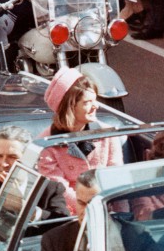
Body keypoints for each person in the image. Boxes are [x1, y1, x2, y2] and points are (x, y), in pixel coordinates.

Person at [37, 68, 124, 214]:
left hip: (108, 207)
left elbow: (116, 178)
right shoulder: (46, 143)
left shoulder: (107, 134)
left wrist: (122, 217)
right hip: (69, 215)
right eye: (87, 102)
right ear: (70, 106)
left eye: (95, 100)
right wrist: (91, 208)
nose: (95, 106)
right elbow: (59, 190)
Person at [0, 126, 69, 237]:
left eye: (12, 157)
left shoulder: (50, 189)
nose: (3, 164)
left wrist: (27, 210)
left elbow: (63, 226)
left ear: (29, 159)